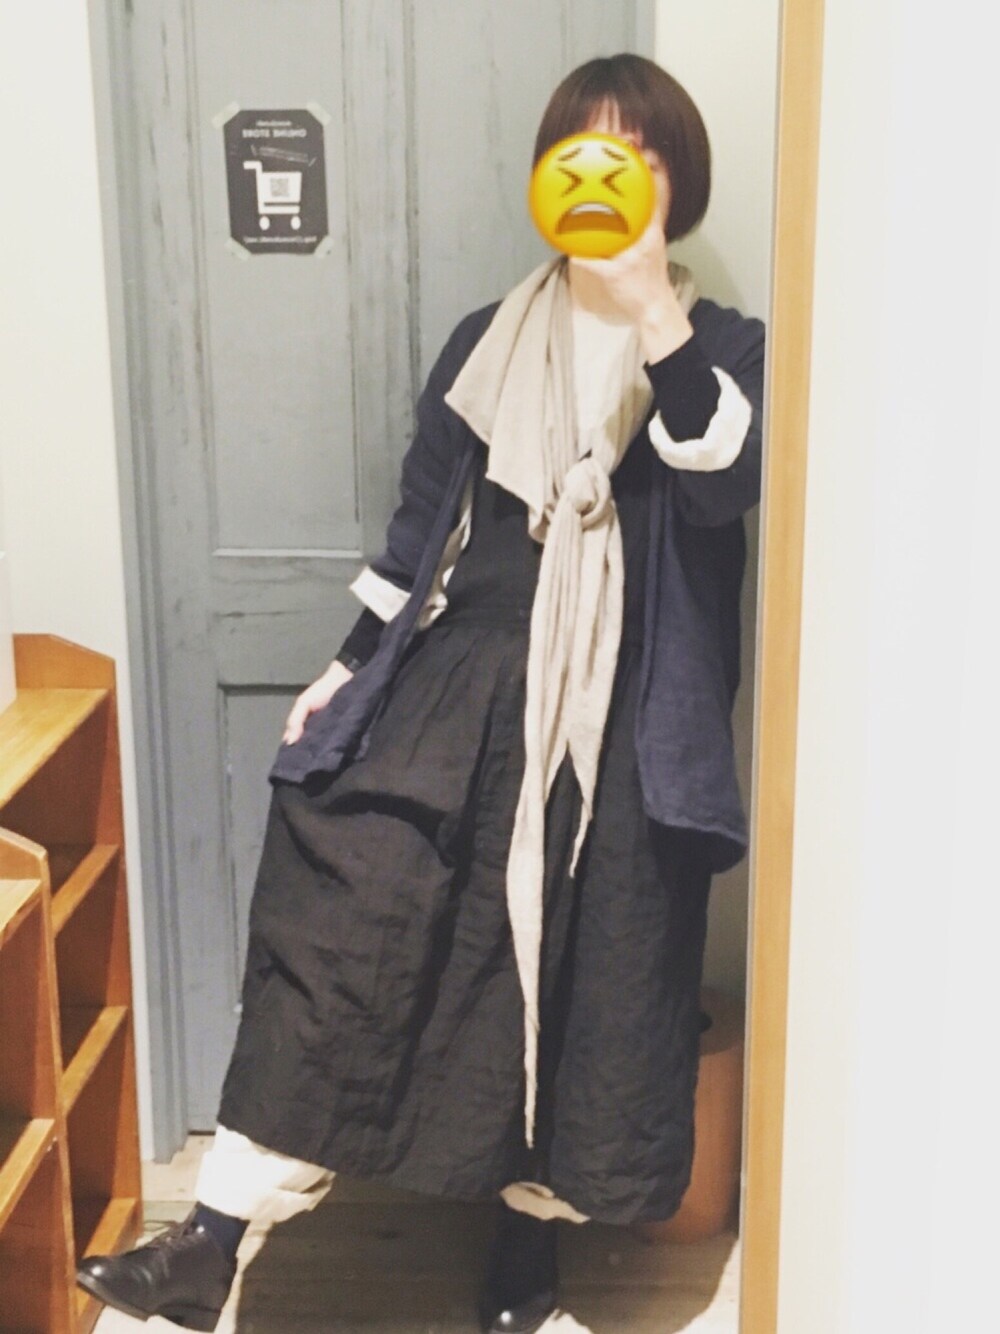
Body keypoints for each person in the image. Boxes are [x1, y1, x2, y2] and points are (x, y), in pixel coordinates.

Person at [77, 53, 765, 1334]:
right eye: (580, 150)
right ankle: (213, 1234)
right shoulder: (486, 337)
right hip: (462, 674)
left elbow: (722, 478)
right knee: (348, 913)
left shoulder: (717, 345)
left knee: (576, 960)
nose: (604, 174)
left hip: (620, 706)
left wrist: (648, 313)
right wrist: (345, 668)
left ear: (674, 180)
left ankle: (525, 1235)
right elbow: (415, 536)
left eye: (634, 154)